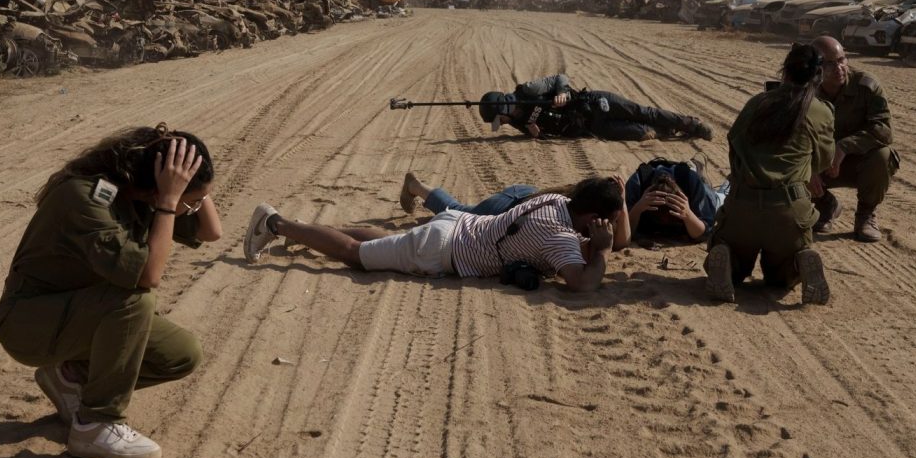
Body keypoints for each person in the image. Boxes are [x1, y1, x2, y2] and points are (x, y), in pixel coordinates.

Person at [0, 125, 221, 458]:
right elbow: (149, 276)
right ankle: (95, 424)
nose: (193, 207)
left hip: (78, 313)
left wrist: (184, 172)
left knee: (181, 354)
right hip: (27, 323)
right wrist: (171, 201)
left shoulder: (140, 193)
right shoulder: (84, 197)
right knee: (135, 300)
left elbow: (211, 232)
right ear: (155, 189)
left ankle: (70, 378)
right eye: (193, 201)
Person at [244, 176, 623, 293]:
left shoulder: (555, 201)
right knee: (355, 254)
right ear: (591, 217)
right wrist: (603, 250)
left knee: (376, 237)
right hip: (442, 250)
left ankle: (309, 234)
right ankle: (275, 224)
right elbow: (582, 284)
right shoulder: (560, 236)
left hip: (454, 225)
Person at [703, 44, 836, 304]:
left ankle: (727, 258)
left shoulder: (758, 103)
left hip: (744, 206)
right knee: (780, 278)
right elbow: (825, 161)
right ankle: (799, 260)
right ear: (818, 76)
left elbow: (734, 146)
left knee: (737, 269)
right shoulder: (821, 111)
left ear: (784, 72)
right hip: (789, 211)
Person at [398, 158, 727, 242]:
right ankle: (417, 186)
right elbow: (623, 242)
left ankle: (420, 188)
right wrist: (634, 207)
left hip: (529, 194)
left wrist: (685, 215)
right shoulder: (610, 204)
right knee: (461, 213)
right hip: (513, 205)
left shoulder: (693, 202)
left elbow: (703, 233)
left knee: (463, 211)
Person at [810, 36, 900, 242]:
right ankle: (826, 205)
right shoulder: (806, 90)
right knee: (788, 165)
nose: (839, 67)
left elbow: (884, 130)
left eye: (842, 60)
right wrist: (807, 169)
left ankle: (865, 215)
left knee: (883, 156)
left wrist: (844, 147)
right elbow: (791, 136)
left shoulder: (866, 85)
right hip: (819, 163)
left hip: (857, 163)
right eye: (829, 63)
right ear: (815, 67)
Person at [477, 74, 713, 141]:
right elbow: (544, 132)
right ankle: (669, 130)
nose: (503, 124)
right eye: (501, 122)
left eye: (501, 119)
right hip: (594, 128)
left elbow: (560, 78)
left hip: (597, 104)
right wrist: (535, 134)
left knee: (643, 112)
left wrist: (561, 93)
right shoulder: (519, 125)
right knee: (642, 133)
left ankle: (691, 124)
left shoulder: (528, 90)